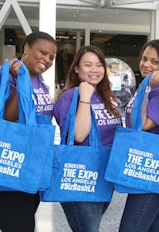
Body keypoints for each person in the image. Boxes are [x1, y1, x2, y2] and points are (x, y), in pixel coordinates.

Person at [0, 31, 57, 232]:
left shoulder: (39, 81)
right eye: (42, 52)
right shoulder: (3, 75)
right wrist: (19, 82)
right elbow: (5, 119)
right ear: (26, 48)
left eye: (51, 57)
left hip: (30, 166)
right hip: (6, 164)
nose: (46, 60)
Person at [54, 45, 122, 232]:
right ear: (76, 68)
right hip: (81, 175)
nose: (94, 70)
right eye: (88, 65)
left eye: (99, 65)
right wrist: (84, 98)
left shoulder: (106, 96)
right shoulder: (69, 96)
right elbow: (79, 135)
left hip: (105, 175)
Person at [119, 39, 159, 232]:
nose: (146, 64)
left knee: (131, 227)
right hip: (143, 165)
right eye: (144, 59)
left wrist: (147, 89)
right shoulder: (148, 87)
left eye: (154, 61)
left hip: (154, 167)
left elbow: (142, 124)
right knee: (149, 226)